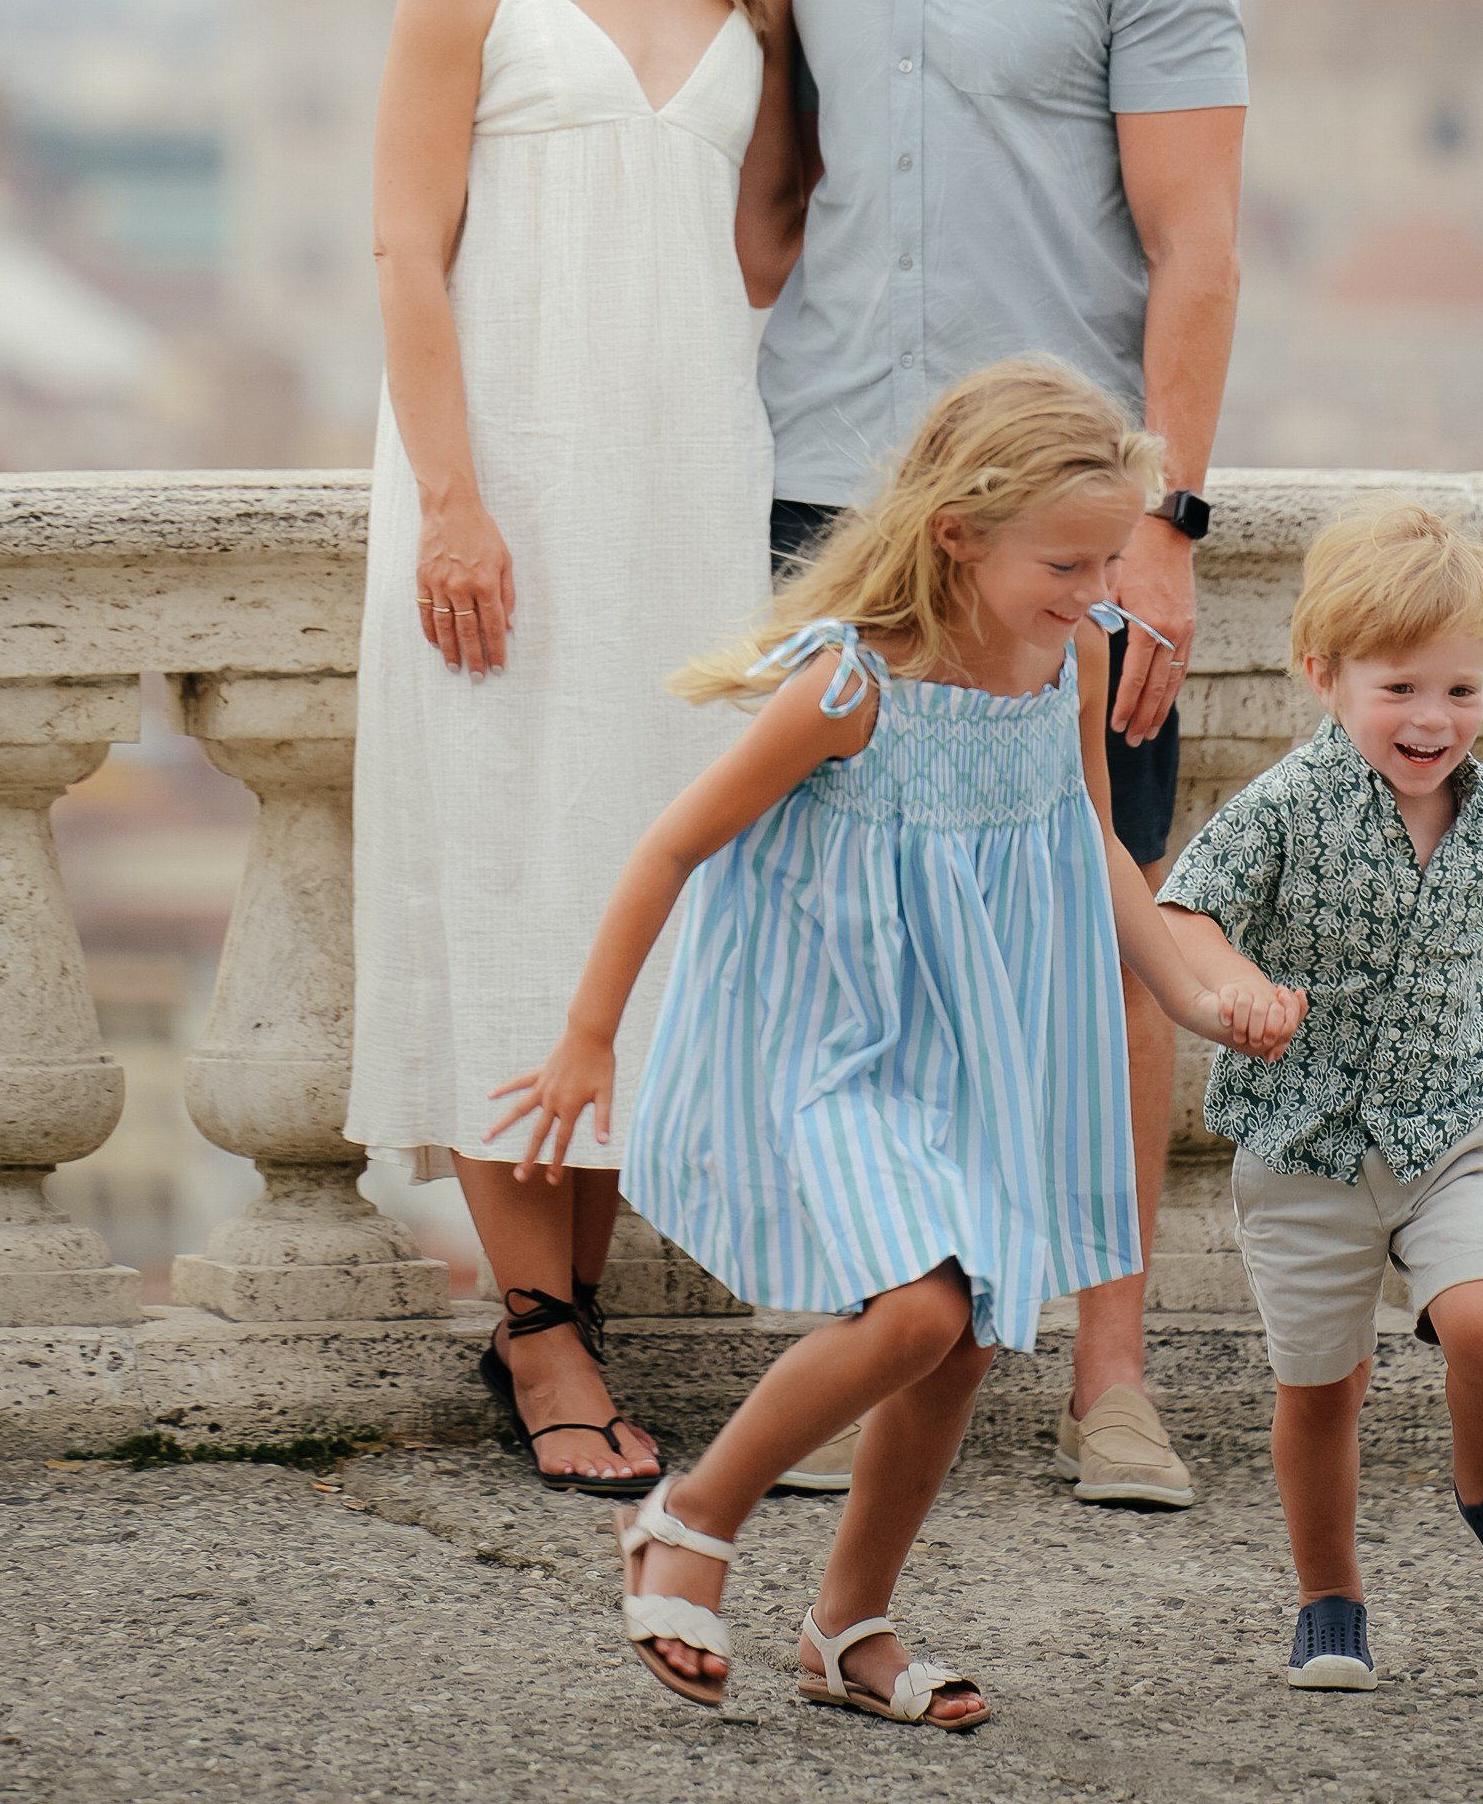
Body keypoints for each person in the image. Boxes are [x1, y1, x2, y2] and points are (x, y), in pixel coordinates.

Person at [489, 361, 1301, 1721]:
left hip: (981, 1047)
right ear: (956, 533)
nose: (1098, 585)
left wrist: (1191, 997)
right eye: (1067, 559)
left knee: (969, 1333)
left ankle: (848, 1627)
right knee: (921, 1306)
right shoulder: (851, 687)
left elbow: (1094, 838)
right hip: (835, 1042)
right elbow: (674, 844)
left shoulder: (1076, 652)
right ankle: (689, 1522)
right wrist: (589, 1036)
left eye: (1110, 555)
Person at [759, 0, 1247, 1509]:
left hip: (1063, 521)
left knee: (1093, 942)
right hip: (832, 499)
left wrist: (1169, 524)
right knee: (836, 946)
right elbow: (773, 208)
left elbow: (1200, 242)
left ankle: (1109, 1376)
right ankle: (862, 1353)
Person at [347, 0, 805, 1496]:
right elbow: (401, 243)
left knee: (647, 900)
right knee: (508, 877)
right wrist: (455, 498)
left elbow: (768, 240)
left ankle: (581, 1319)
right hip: (502, 497)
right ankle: (539, 1345)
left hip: (685, 498)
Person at [1156, 504, 1483, 1691]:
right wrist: (1236, 991)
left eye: (1459, 691)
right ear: (1323, 676)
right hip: (1304, 1147)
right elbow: (1182, 911)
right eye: (1397, 689)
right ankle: (1329, 1600)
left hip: (1447, 1132)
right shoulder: (1283, 807)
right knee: (1321, 1392)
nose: (1431, 721)